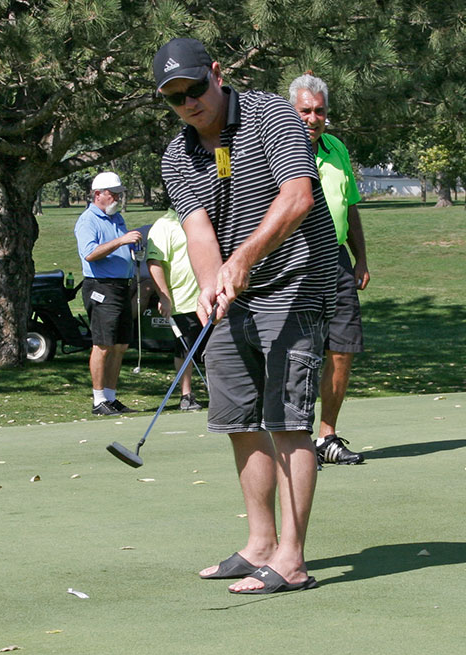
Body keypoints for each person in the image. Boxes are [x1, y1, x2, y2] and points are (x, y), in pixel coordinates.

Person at [154, 38, 338, 592]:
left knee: (287, 419)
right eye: (174, 97)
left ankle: (291, 558)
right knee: (238, 417)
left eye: (194, 88)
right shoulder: (176, 154)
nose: (188, 103)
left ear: (216, 73)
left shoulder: (271, 115)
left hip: (297, 279)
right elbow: (197, 229)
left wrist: (242, 260)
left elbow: (298, 198)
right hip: (236, 290)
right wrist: (211, 285)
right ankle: (260, 542)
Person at [289, 73, 370, 466]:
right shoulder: (278, 148)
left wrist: (361, 259)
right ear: (292, 110)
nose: (312, 118)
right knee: (297, 351)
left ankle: (327, 436)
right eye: (305, 110)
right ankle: (296, 438)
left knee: (342, 348)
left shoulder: (336, 148)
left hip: (335, 259)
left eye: (319, 111)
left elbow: (350, 206)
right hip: (292, 260)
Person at [75, 171, 142, 416]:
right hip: (101, 286)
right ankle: (98, 399)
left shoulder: (116, 218)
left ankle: (111, 397)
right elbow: (90, 253)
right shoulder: (88, 220)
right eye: (112, 194)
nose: (116, 198)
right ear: (98, 194)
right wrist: (121, 241)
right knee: (102, 344)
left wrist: (131, 245)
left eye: (118, 194)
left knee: (121, 344)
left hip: (122, 286)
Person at [146, 210, 205, 411]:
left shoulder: (203, 218)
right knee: (184, 349)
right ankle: (186, 395)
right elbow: (154, 262)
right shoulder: (164, 225)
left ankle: (220, 392)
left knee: (216, 348)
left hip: (208, 296)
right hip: (182, 300)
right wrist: (164, 296)